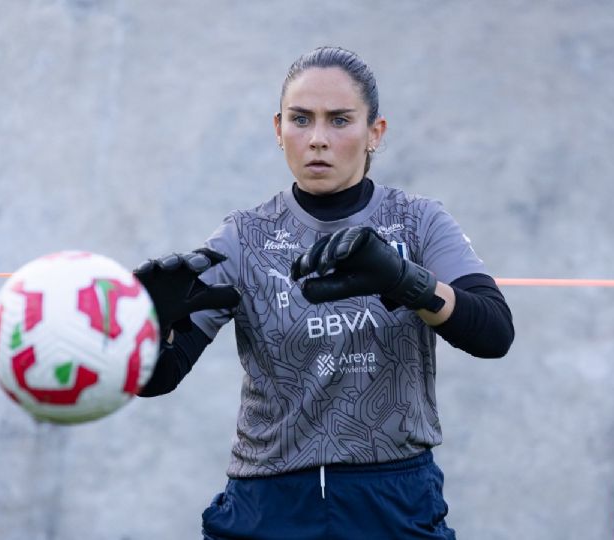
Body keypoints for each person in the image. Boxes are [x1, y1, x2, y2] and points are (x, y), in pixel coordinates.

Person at [133, 46, 514, 540]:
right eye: (300, 119)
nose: (317, 139)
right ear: (278, 130)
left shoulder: (419, 222)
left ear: (375, 132)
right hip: (267, 505)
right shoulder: (241, 238)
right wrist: (146, 333)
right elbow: (155, 380)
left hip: (392, 501)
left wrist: (405, 279)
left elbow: (494, 332)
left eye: (339, 120)